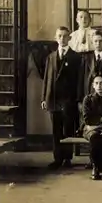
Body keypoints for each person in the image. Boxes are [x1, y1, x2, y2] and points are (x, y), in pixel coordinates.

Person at [41, 26, 82, 170]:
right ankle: (57, 158)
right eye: (59, 36)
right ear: (55, 37)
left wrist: (77, 99)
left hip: (68, 99)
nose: (62, 39)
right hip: (53, 98)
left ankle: (67, 159)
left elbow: (79, 80)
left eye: (65, 36)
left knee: (68, 129)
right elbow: (46, 79)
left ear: (70, 38)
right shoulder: (50, 57)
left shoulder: (76, 57)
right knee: (55, 129)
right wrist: (44, 98)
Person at [78, 31, 102, 104]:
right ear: (92, 42)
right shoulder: (86, 58)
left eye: (101, 41)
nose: (98, 43)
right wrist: (79, 100)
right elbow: (81, 79)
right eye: (95, 41)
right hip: (89, 96)